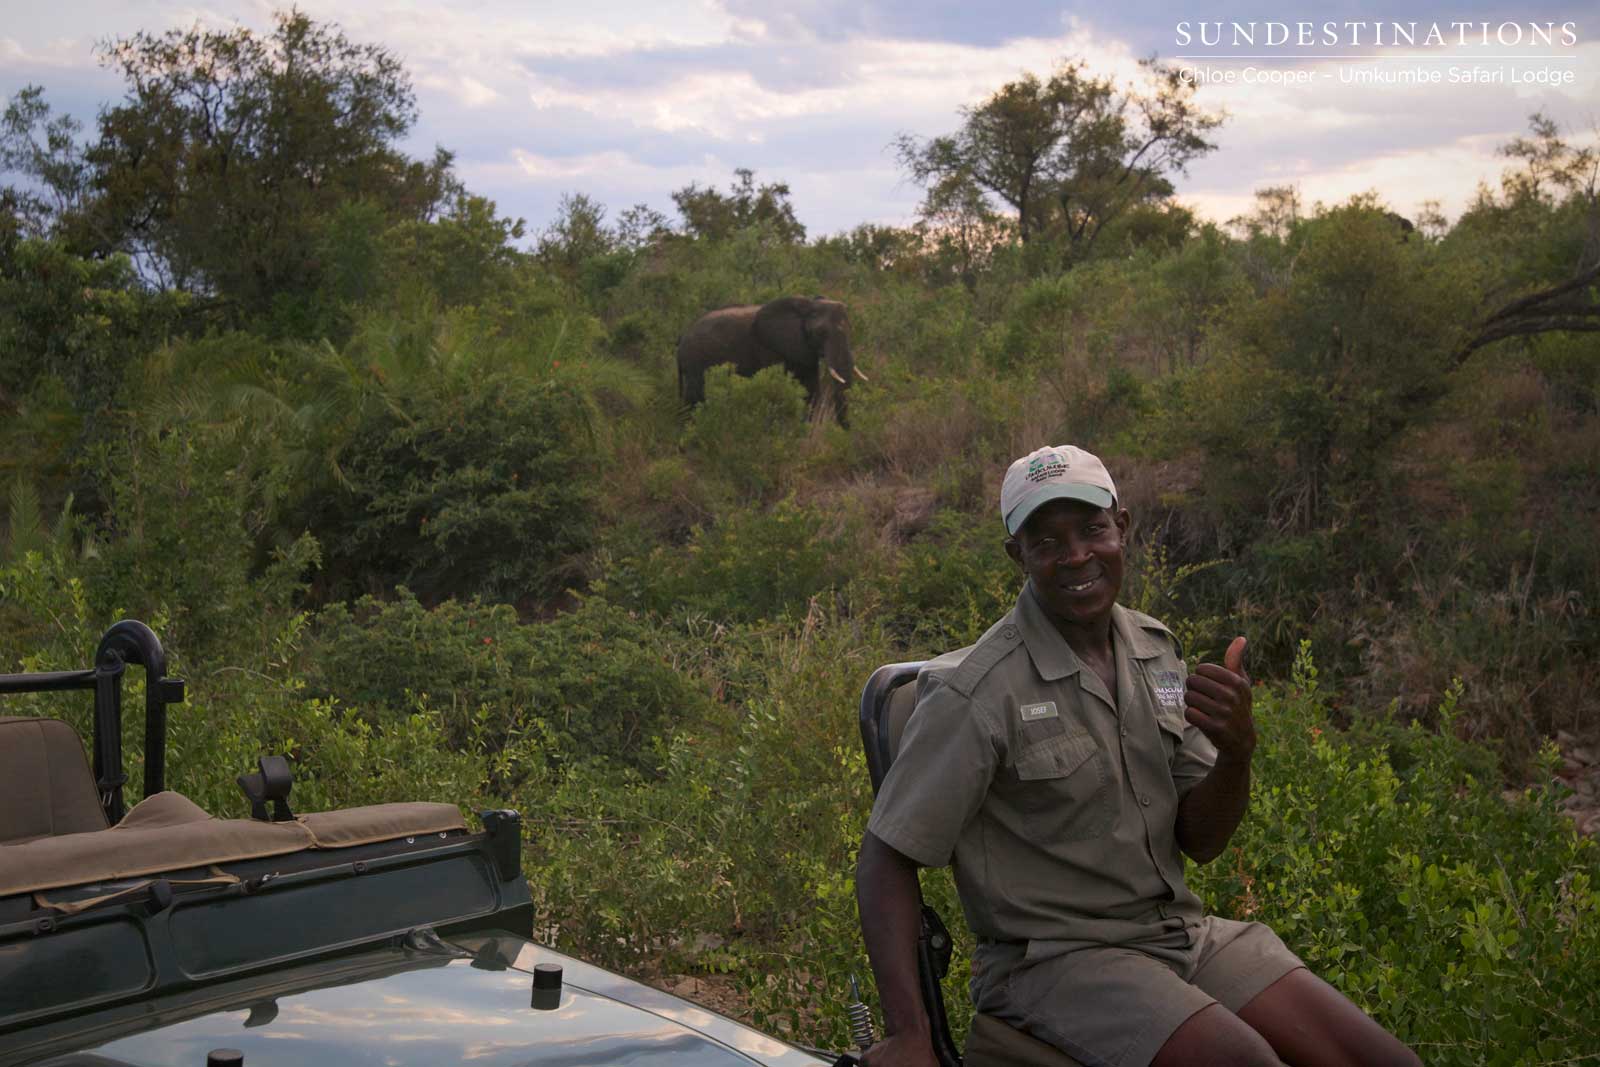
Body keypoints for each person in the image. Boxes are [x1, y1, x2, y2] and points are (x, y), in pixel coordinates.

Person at [856, 445, 1419, 1067]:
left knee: (1378, 1057)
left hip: (1180, 934)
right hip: (1056, 961)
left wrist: (1236, 753)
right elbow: (886, 857)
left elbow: (1200, 840)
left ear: (1122, 527)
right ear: (1017, 554)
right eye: (1046, 541)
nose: (1076, 556)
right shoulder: (975, 692)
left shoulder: (1156, 652)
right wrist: (910, 1034)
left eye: (1092, 529)